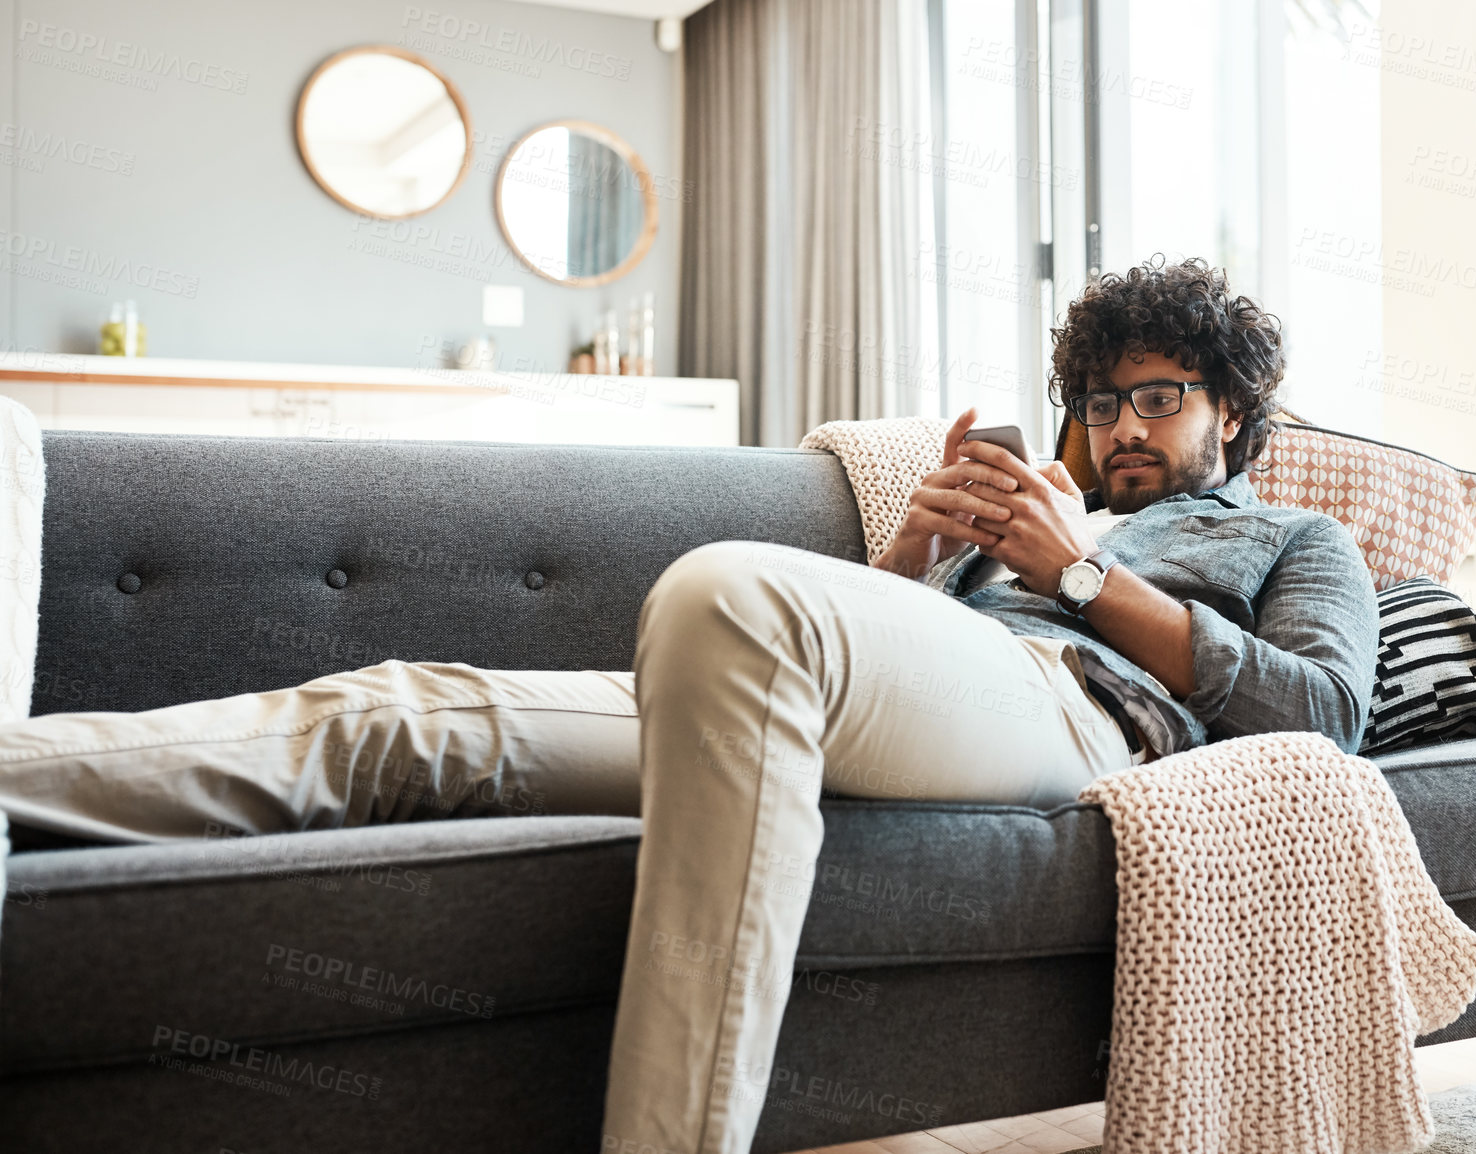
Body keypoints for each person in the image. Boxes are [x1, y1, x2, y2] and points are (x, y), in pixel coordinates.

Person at [0, 256, 1377, 1153]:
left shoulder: (1295, 546)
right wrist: (916, 551)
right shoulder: (1028, 518)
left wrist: (1074, 573)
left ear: (1235, 420)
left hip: (1074, 718)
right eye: (1098, 397)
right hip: (879, 682)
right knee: (411, 713)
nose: (1122, 422)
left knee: (730, 596)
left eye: (1161, 395)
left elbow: (1322, 711)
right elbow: (845, 651)